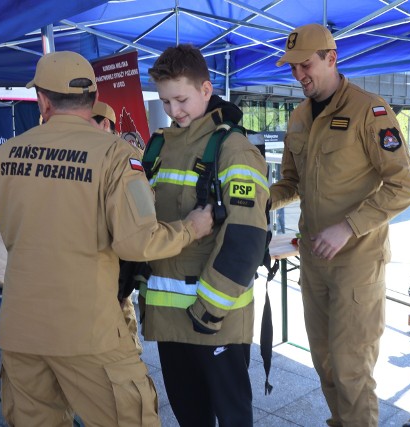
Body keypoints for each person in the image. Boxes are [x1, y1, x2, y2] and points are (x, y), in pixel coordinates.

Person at [0, 51, 213, 426]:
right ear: (93, 99)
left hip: (20, 329)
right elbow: (137, 242)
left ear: (42, 101)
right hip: (87, 331)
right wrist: (192, 228)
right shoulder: (115, 155)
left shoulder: (5, 155)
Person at [270, 24, 410, 426]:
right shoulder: (300, 116)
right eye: (292, 68)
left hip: (358, 263)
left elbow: (404, 186)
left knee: (352, 371)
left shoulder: (370, 111)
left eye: (305, 65)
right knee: (325, 365)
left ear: (331, 58)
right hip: (315, 261)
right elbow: (291, 182)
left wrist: (349, 227)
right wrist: (261, 199)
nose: (299, 75)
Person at [139, 44, 269, 427]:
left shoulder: (234, 149)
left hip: (215, 319)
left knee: (231, 418)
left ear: (206, 89)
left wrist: (209, 311)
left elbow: (246, 239)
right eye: (165, 101)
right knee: (189, 417)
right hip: (168, 320)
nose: (174, 110)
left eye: (181, 99)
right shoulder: (158, 146)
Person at [91, 100, 144, 355]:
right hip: (97, 263)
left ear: (104, 124)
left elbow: (140, 211)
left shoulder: (125, 155)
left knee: (122, 313)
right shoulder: (87, 155)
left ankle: (131, 358)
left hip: (120, 258)